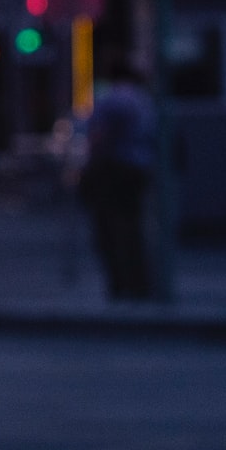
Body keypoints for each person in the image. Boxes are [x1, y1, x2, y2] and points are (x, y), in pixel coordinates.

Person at [80, 61, 157, 301]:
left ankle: (121, 282)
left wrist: (89, 165)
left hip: (114, 169)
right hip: (138, 169)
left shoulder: (112, 100)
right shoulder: (145, 101)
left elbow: (100, 136)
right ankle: (139, 281)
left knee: (110, 229)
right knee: (133, 227)